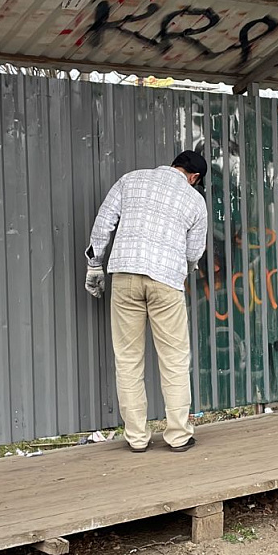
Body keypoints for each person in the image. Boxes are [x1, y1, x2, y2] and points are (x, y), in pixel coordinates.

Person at [85, 150, 209, 452]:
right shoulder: (194, 200)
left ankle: (137, 438)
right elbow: (195, 252)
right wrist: (185, 269)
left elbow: (103, 225)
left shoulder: (131, 180)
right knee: (174, 360)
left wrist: (94, 265)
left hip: (125, 275)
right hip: (166, 280)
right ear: (194, 177)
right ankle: (178, 435)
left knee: (127, 359)